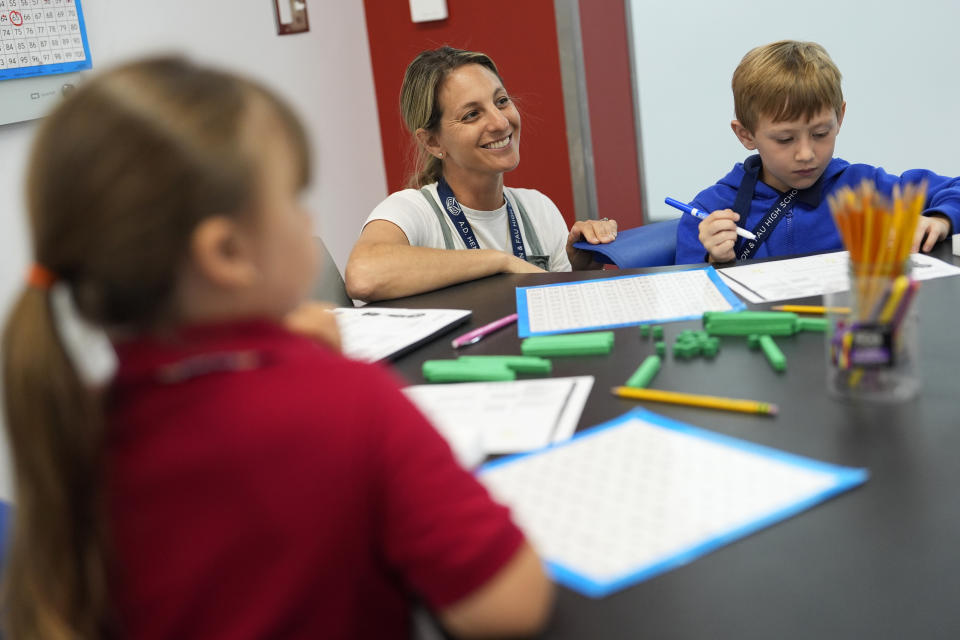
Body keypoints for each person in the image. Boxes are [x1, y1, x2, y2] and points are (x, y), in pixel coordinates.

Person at [0, 57, 552, 639]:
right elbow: (511, 604)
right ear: (228, 253)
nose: (308, 218)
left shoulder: (77, 423)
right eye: (291, 197)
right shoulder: (349, 403)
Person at [345, 46, 618, 302]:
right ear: (432, 142)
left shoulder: (538, 208)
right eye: (472, 114)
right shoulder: (413, 210)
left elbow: (560, 308)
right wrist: (498, 262)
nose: (500, 122)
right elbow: (363, 275)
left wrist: (582, 271)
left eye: (501, 101)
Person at [675, 40, 960, 265]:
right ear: (746, 135)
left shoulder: (865, 187)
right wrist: (714, 260)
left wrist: (940, 218)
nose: (806, 154)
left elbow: (954, 189)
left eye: (820, 134)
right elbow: (684, 298)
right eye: (785, 139)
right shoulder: (711, 210)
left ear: (840, 117)